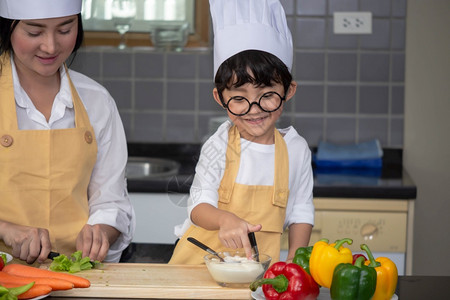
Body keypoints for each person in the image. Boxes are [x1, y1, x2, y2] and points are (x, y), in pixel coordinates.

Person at [169, 0, 314, 265]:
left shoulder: (296, 149)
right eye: (239, 98)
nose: (254, 109)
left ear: (288, 91)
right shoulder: (219, 145)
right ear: (219, 97)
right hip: (197, 267)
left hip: (256, 273)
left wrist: (295, 258)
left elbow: (301, 211)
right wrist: (225, 219)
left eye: (267, 95)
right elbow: (198, 208)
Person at [0, 0, 135, 264]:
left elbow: (111, 201)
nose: (50, 46)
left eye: (64, 30)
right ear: (7, 30)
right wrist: (7, 230)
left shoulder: (97, 101)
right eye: (34, 32)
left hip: (76, 274)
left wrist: (101, 234)